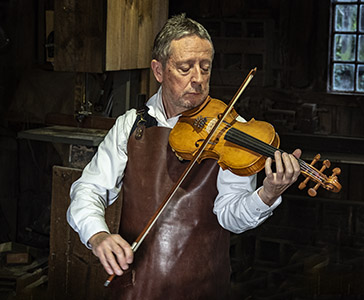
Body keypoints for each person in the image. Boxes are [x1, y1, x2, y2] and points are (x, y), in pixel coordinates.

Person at [67, 13, 301, 300]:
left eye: (205, 68)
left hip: (204, 288)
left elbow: (231, 217)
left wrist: (267, 194)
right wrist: (98, 235)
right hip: (136, 288)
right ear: (158, 70)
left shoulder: (232, 131)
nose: (198, 80)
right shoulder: (132, 126)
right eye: (185, 68)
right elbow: (88, 188)